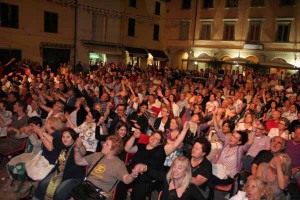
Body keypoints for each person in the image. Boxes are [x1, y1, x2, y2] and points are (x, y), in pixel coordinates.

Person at [116, 122, 190, 200]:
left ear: (160, 142)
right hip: (131, 172)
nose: (154, 138)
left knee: (137, 195)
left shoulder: (162, 149)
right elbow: (127, 149)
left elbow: (176, 144)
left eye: (157, 138)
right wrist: (134, 137)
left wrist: (184, 130)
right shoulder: (141, 146)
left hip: (146, 178)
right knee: (120, 186)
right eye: (153, 136)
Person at [74, 135, 142, 198]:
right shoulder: (97, 155)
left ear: (113, 149)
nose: (103, 144)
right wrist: (77, 148)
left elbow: (126, 180)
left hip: (98, 196)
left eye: (107, 144)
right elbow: (79, 161)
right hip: (84, 190)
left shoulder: (119, 164)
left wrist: (133, 175)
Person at [32, 128, 86, 200]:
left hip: (73, 176)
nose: (65, 139)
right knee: (43, 184)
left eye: (68, 137)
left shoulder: (77, 148)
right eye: (63, 137)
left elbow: (83, 151)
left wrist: (80, 145)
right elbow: (52, 139)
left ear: (74, 138)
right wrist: (42, 132)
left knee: (59, 192)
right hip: (60, 172)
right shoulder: (61, 144)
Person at [136, 156, 205, 200]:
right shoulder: (167, 179)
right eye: (174, 166)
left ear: (186, 172)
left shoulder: (191, 188)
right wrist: (143, 167)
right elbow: (153, 173)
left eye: (180, 168)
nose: (175, 170)